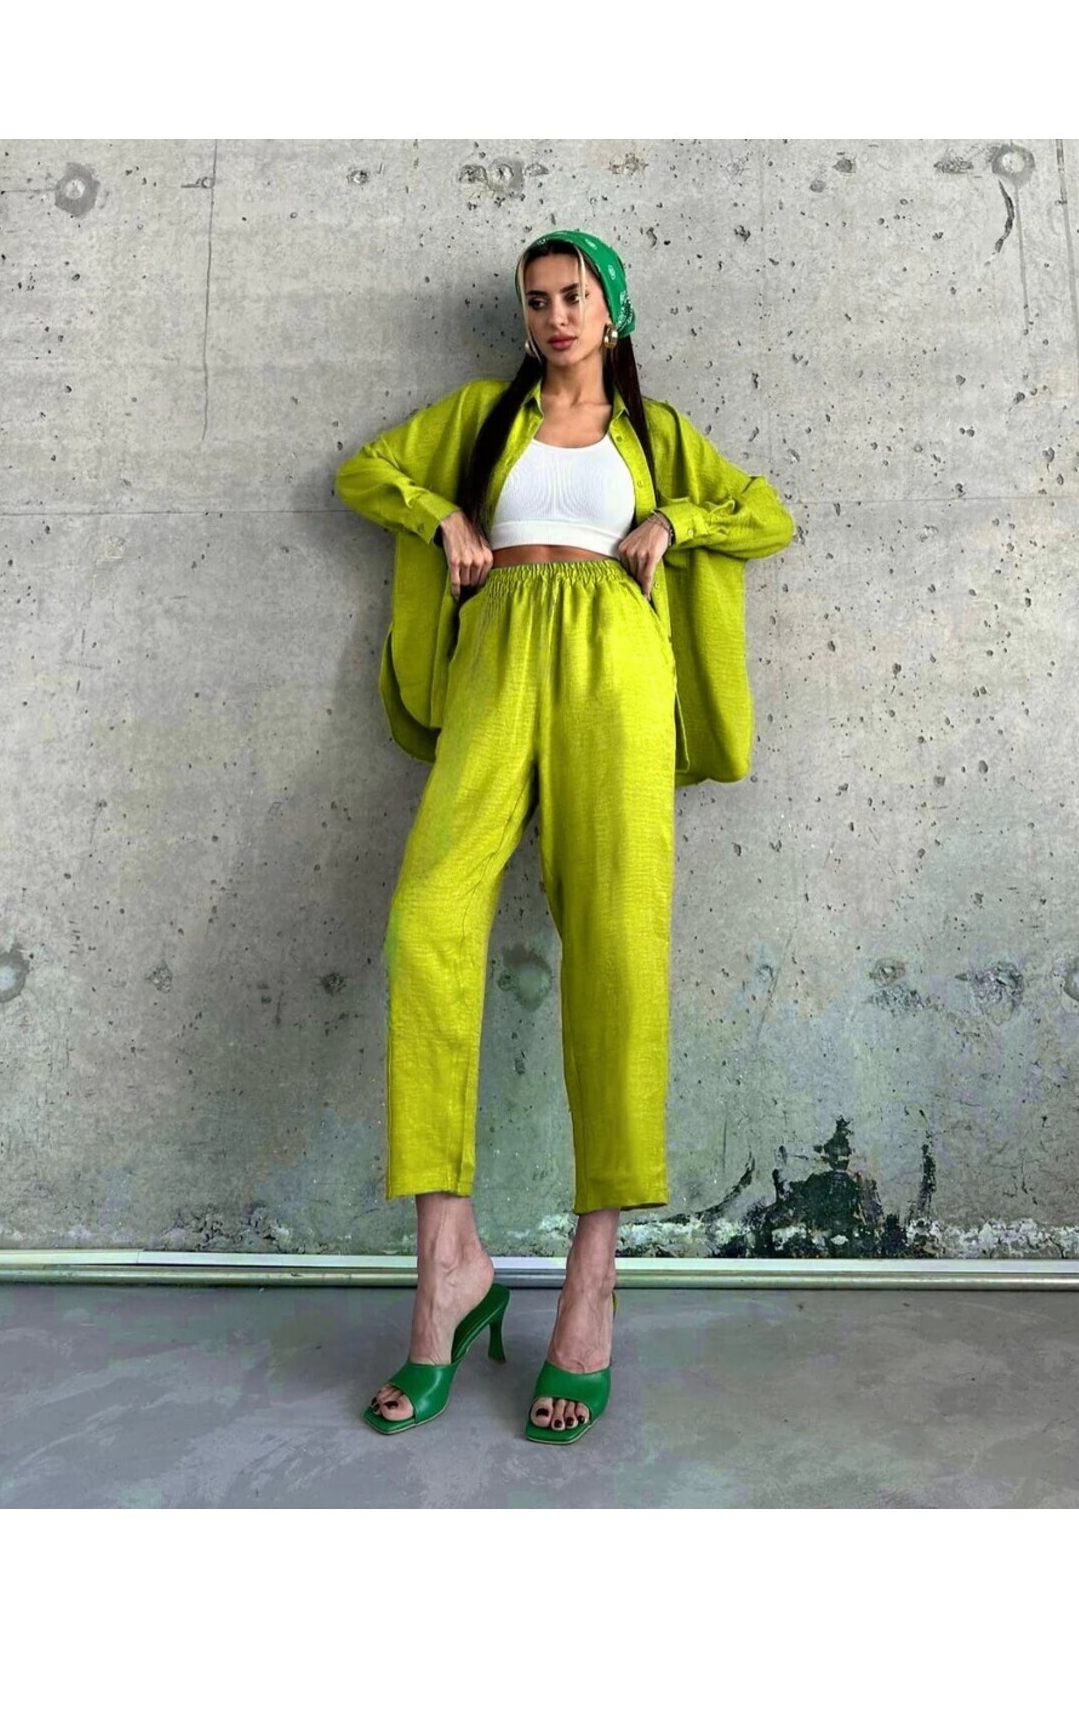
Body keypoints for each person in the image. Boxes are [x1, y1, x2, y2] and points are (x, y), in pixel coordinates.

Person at [335, 229, 795, 1443]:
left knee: (616, 945)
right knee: (427, 919)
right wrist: (441, 513)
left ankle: (594, 1280)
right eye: (536, 300)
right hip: (497, 653)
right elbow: (364, 475)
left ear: (612, 307)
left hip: (616, 664)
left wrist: (674, 524)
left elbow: (766, 515)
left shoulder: (656, 432)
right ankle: (450, 1265)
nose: (554, 315)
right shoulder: (481, 419)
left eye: (574, 295)